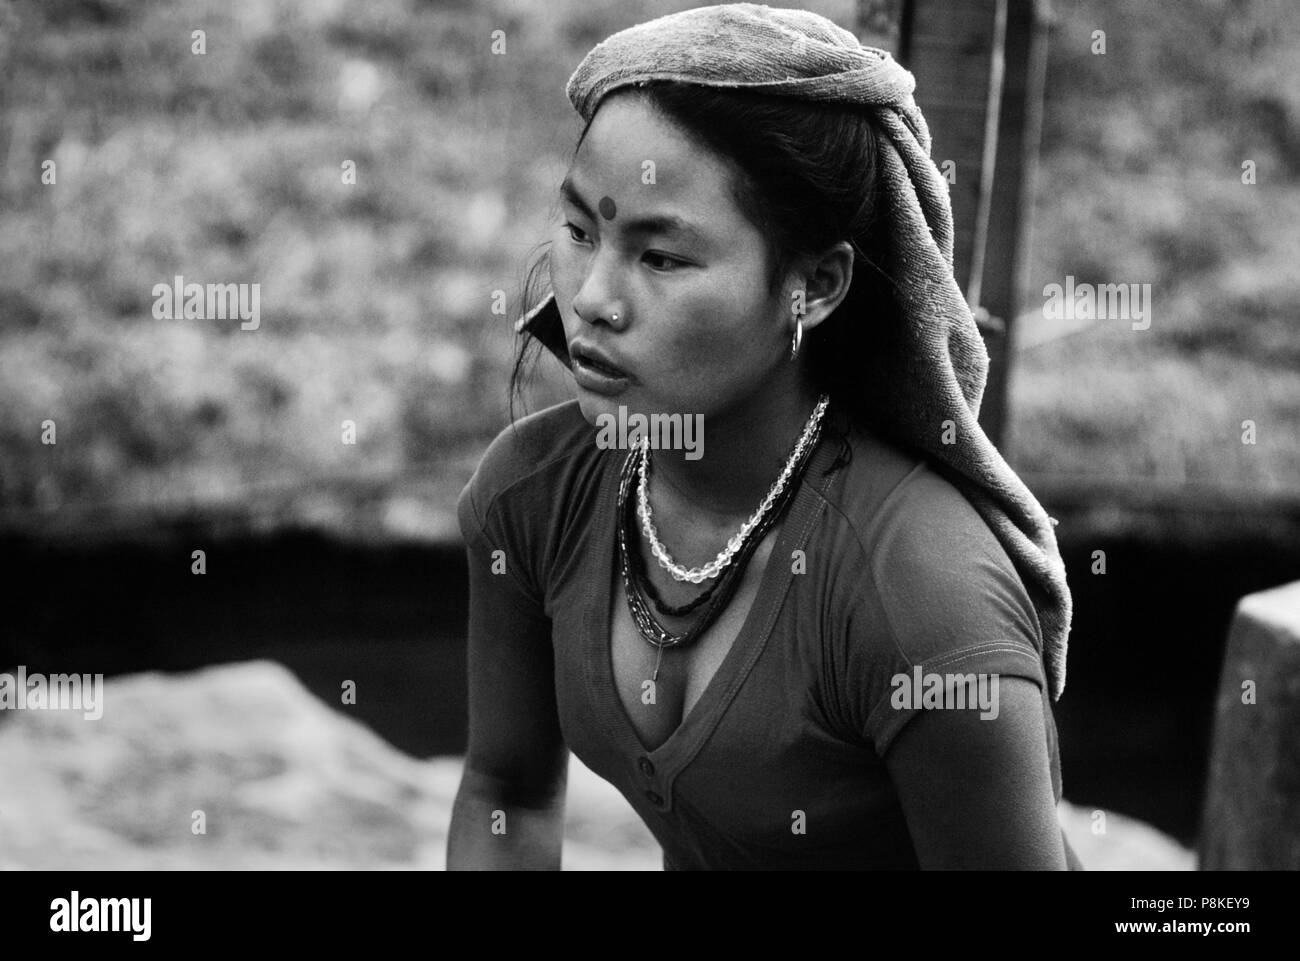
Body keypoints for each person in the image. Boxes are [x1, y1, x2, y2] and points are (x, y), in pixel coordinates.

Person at [447, 4, 1080, 870]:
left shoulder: (918, 598)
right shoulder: (534, 494)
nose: (592, 297)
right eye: (580, 231)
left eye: (661, 257)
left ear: (813, 286)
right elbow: (507, 796)